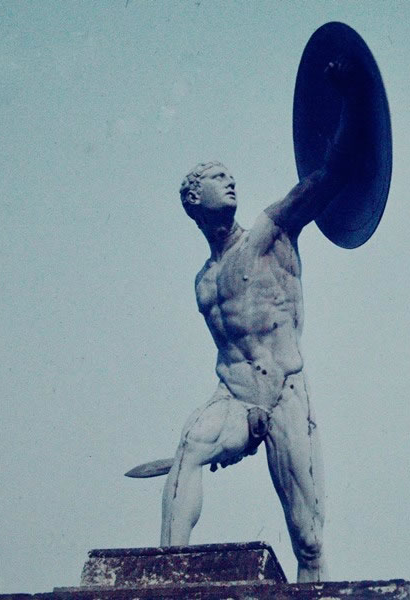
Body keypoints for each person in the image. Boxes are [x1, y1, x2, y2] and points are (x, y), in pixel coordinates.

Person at [162, 59, 366, 583]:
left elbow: (331, 175)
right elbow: (229, 355)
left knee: (309, 540)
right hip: (233, 397)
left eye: (230, 175)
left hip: (285, 393)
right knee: (190, 444)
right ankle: (163, 577)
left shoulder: (270, 233)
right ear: (194, 199)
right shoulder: (203, 283)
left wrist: (352, 95)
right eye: (217, 178)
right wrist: (234, 423)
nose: (230, 181)